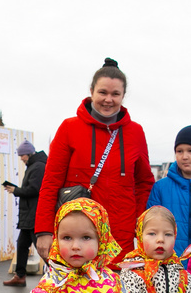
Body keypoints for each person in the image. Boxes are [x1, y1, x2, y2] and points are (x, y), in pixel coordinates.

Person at [34, 58, 155, 263]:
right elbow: (50, 183)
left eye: (115, 94)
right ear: (91, 91)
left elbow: (144, 182)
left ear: (123, 96)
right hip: (77, 240)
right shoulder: (69, 128)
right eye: (103, 92)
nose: (108, 99)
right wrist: (44, 231)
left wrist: (137, 222)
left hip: (120, 240)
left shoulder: (135, 132)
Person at [3, 140, 46, 286]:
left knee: (41, 247)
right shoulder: (33, 166)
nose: (21, 158)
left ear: (29, 153)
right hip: (29, 215)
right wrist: (17, 189)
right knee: (22, 245)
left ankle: (58, 275)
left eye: (22, 155)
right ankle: (20, 276)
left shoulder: (38, 166)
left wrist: (16, 190)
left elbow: (34, 190)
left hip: (34, 215)